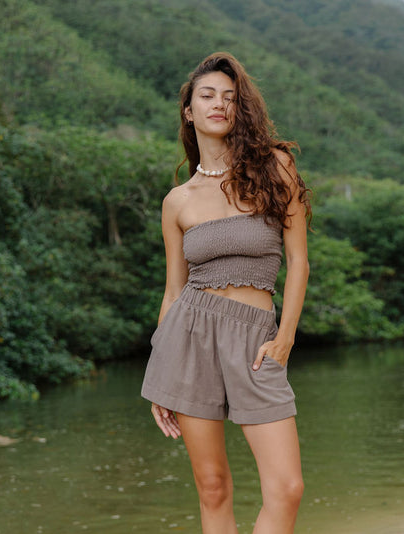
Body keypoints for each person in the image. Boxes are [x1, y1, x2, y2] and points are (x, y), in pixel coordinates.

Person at [141, 51, 311, 534]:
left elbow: (298, 260)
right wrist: (161, 372)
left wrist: (286, 338)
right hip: (188, 343)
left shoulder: (274, 167)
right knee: (212, 487)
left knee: (287, 488)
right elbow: (173, 292)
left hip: (257, 339)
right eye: (208, 95)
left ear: (241, 110)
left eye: (230, 97)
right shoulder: (178, 201)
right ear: (189, 111)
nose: (220, 104)